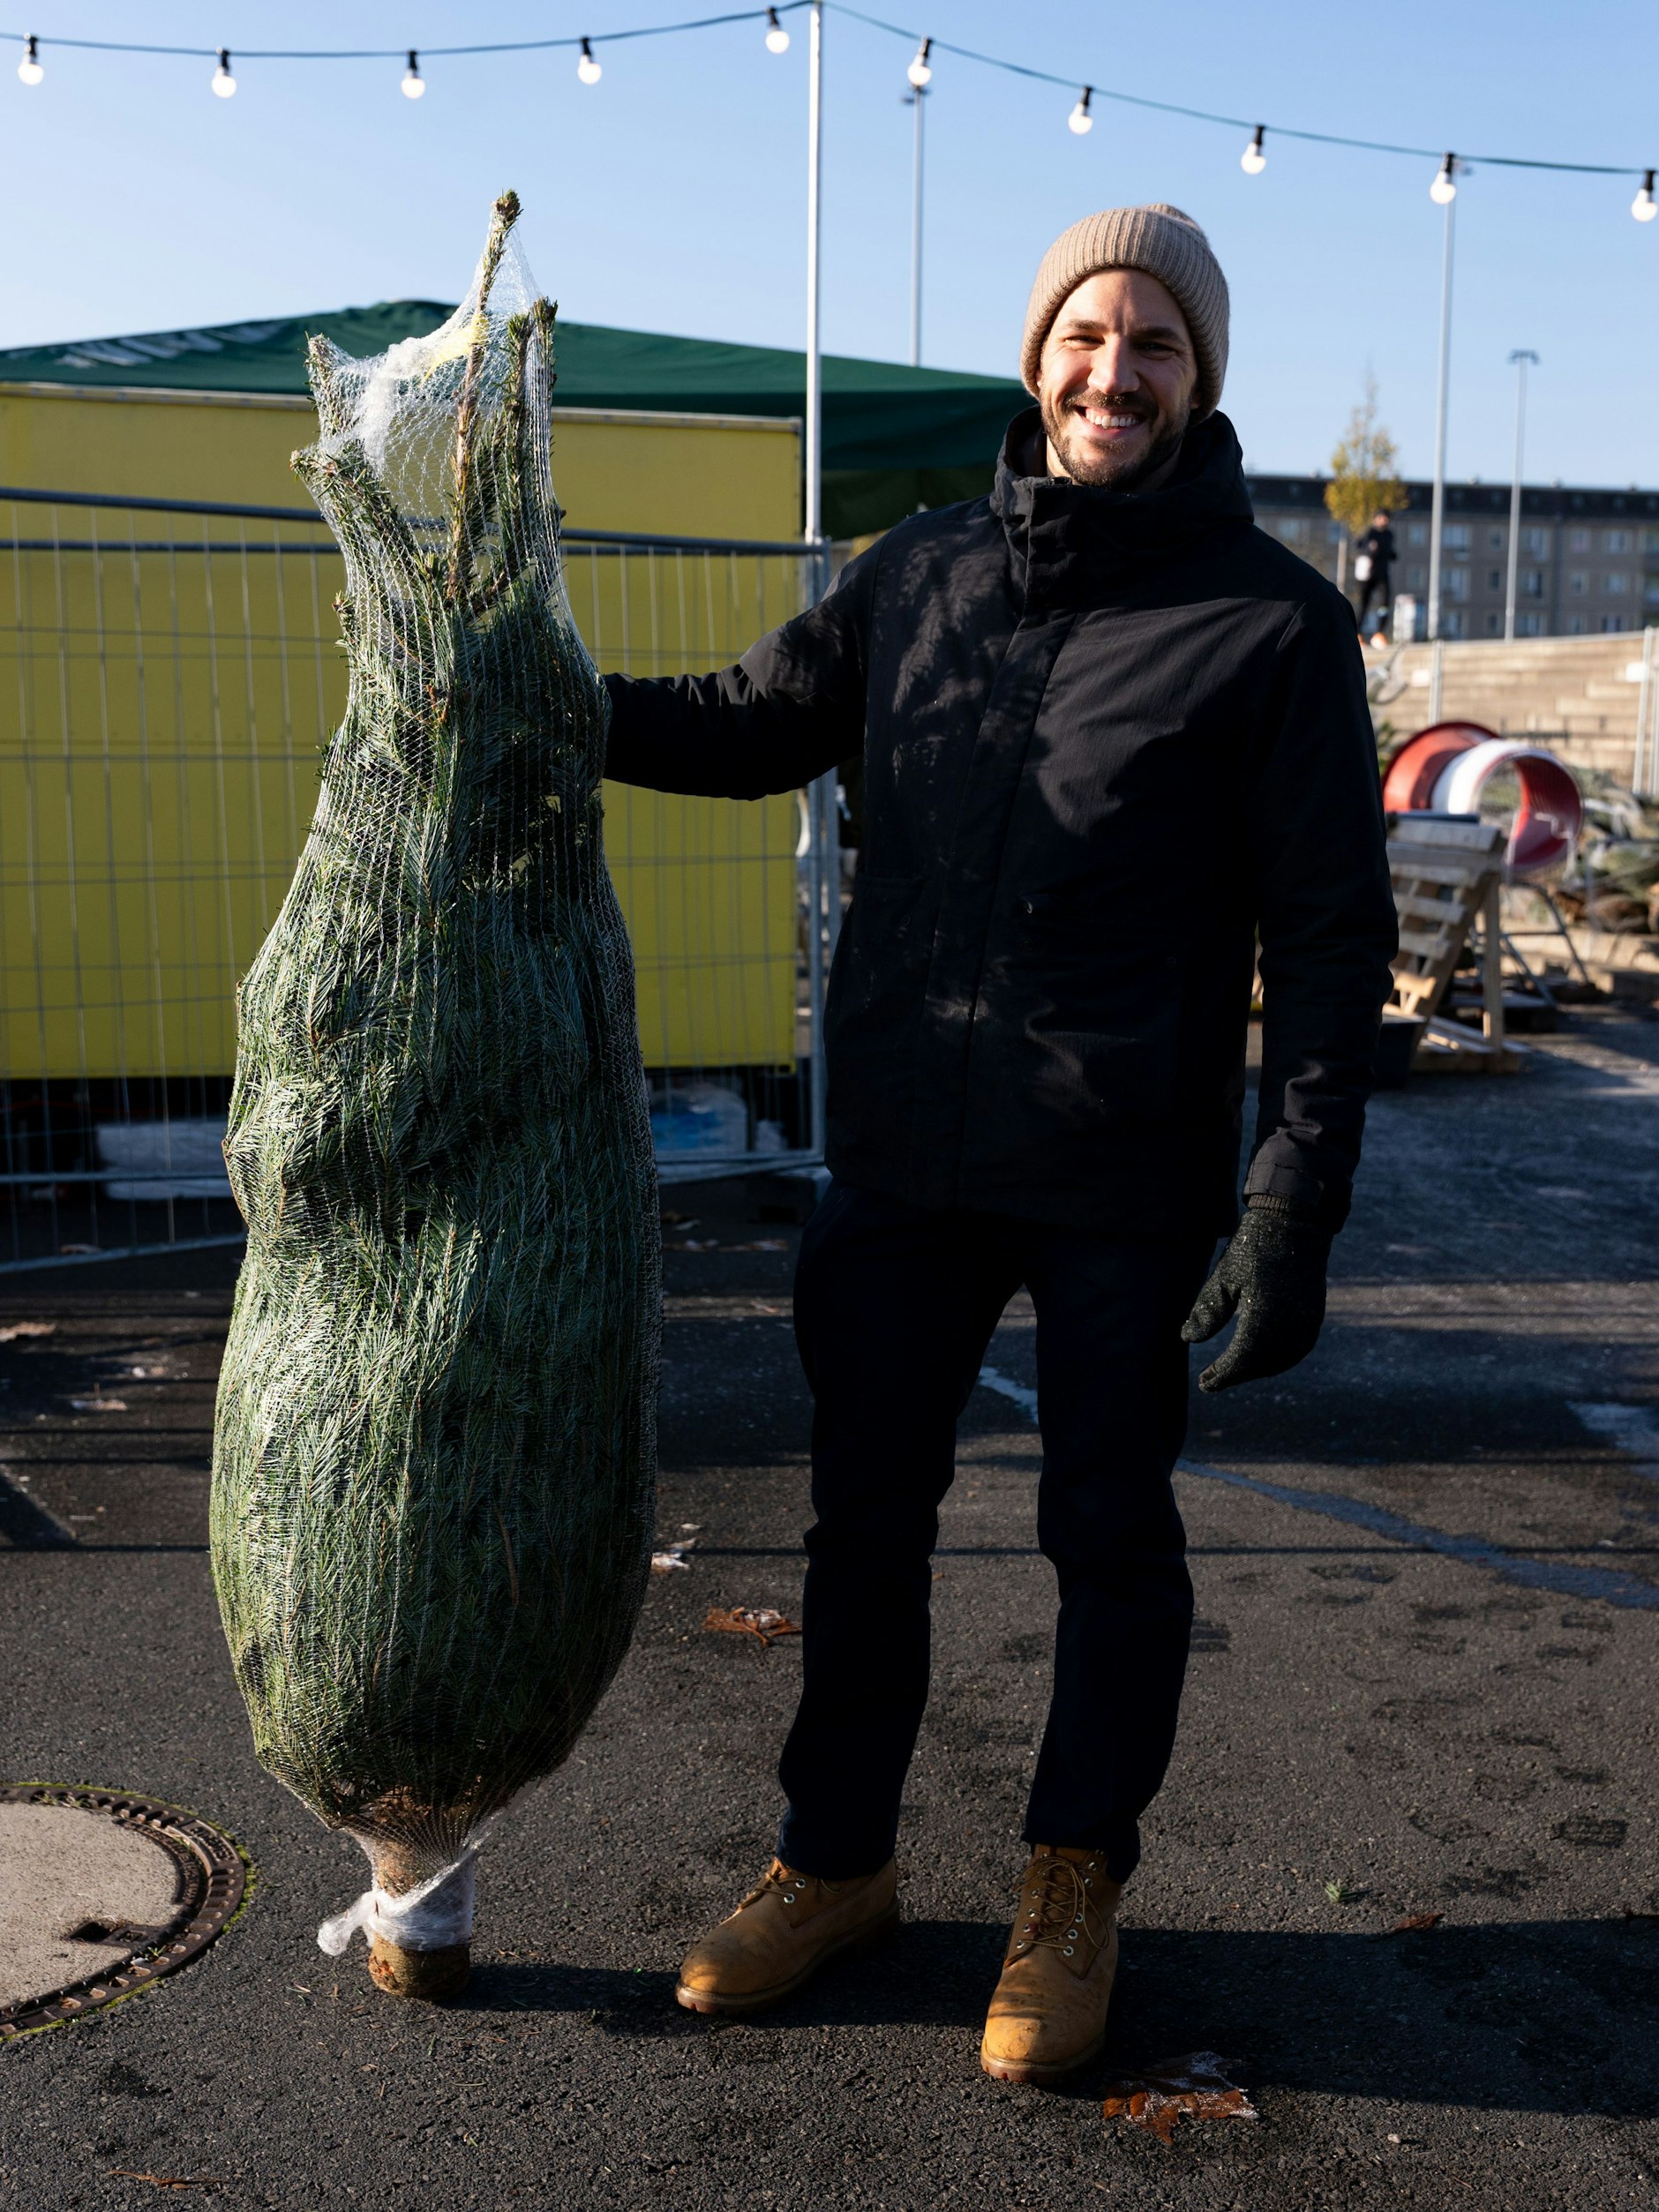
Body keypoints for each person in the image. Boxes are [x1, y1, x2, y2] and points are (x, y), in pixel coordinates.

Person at [602, 203, 1397, 2085]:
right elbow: (748, 723)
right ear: (1037, 356)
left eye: (1157, 345)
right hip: (901, 1155)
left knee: (1107, 1532)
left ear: (1200, 378)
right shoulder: (922, 572)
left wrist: (1292, 1199)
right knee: (862, 1523)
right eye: (1086, 335)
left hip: (1124, 1173)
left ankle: (1072, 1882)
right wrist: (549, 704)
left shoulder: (1274, 622)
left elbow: (1330, 938)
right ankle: (835, 1861)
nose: (1115, 372)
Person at [1353, 509, 1397, 641]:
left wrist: (1391, 554)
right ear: (1376, 519)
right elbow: (1358, 547)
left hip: (1382, 574)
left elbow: (1389, 552)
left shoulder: (1389, 535)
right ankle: (1358, 633)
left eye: (1386, 518)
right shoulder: (1369, 533)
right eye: (1382, 518)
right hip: (1367, 575)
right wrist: (1369, 549)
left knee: (1384, 603)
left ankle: (1379, 633)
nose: (1384, 521)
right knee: (1363, 604)